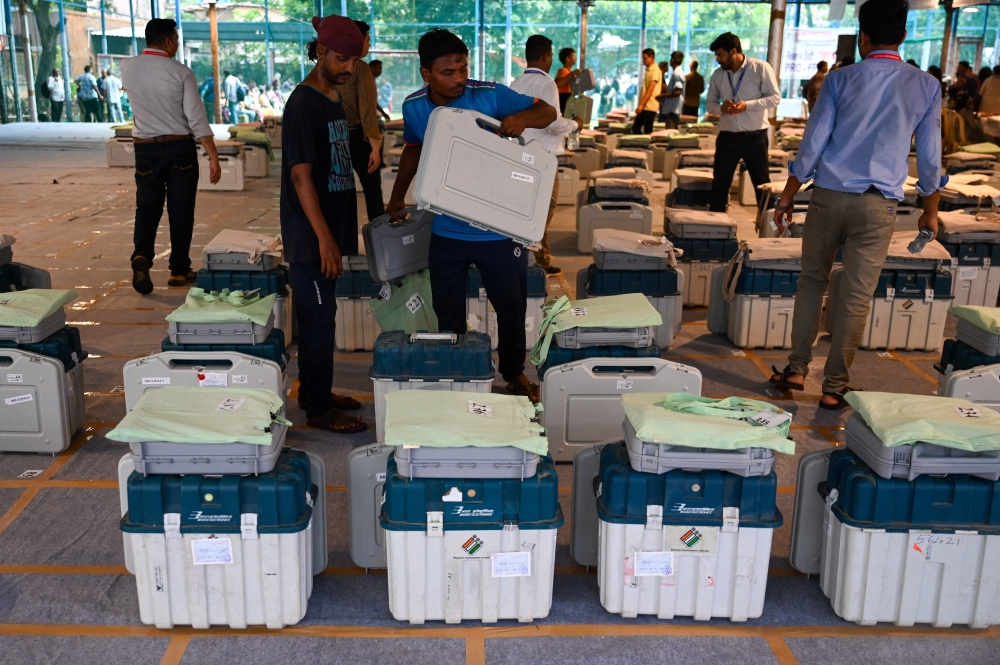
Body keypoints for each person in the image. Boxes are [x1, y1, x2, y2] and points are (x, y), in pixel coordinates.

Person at [768, 0, 944, 410]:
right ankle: (834, 387)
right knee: (856, 297)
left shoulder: (839, 79)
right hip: (878, 206)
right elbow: (931, 158)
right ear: (902, 35)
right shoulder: (925, 85)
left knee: (812, 281)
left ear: (863, 36)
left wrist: (789, 193)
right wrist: (930, 209)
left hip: (828, 198)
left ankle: (796, 369)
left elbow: (813, 143)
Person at [386, 29, 557, 403]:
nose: (459, 79)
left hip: (498, 230)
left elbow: (548, 112)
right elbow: (414, 149)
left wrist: (522, 118)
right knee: (447, 307)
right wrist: (397, 197)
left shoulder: (491, 94)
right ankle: (458, 368)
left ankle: (513, 372)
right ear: (425, 73)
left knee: (510, 306)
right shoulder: (414, 107)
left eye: (463, 68)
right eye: (448, 72)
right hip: (446, 228)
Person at [280, 15, 367, 433]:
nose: (348, 67)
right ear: (319, 51)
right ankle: (316, 409)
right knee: (317, 320)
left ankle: (317, 389)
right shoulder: (303, 102)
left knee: (324, 318)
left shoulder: (332, 96)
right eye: (340, 58)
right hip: (311, 237)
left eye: (354, 60)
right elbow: (300, 176)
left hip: (327, 232)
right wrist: (325, 240)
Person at [121, 19, 221, 295]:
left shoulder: (126, 67)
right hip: (180, 150)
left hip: (145, 150)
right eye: (176, 39)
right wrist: (213, 156)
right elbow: (197, 119)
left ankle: (141, 256)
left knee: (147, 207)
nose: (177, 44)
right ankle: (178, 270)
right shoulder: (182, 73)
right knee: (180, 210)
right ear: (167, 41)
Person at [510, 34, 583, 276]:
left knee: (529, 207)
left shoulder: (515, 84)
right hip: (543, 159)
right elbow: (551, 122)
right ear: (545, 56)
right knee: (544, 210)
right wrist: (575, 125)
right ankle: (529, 253)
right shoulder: (547, 83)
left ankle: (540, 259)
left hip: (519, 155)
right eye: (550, 55)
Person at [705, 32, 780, 211]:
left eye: (720, 55)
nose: (718, 59)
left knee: (762, 185)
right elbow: (710, 105)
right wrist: (721, 108)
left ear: (733, 51)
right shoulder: (718, 75)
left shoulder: (760, 68)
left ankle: (770, 230)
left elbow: (775, 98)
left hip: (755, 137)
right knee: (720, 185)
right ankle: (717, 230)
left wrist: (748, 105)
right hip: (727, 137)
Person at [335, 20, 384, 223]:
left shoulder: (330, 66)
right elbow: (367, 110)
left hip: (333, 136)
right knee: (372, 190)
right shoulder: (361, 69)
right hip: (356, 137)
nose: (369, 45)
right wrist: (375, 146)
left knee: (340, 192)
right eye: (368, 40)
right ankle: (379, 236)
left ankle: (341, 240)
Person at [631, 48, 661, 134]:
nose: (643, 61)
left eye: (645, 58)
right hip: (645, 105)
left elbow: (650, 89)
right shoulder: (649, 70)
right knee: (636, 128)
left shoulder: (655, 70)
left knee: (646, 130)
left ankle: (648, 145)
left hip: (650, 106)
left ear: (651, 57)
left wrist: (641, 105)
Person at [655, 51, 684, 129]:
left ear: (673, 60)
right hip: (672, 108)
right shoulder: (676, 73)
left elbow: (678, 92)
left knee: (670, 131)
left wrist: (662, 95)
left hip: (673, 109)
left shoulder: (677, 74)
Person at [554, 48, 579, 113]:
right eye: (573, 55)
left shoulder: (569, 72)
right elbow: (558, 83)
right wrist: (573, 73)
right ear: (567, 59)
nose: (575, 57)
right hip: (563, 99)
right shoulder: (563, 70)